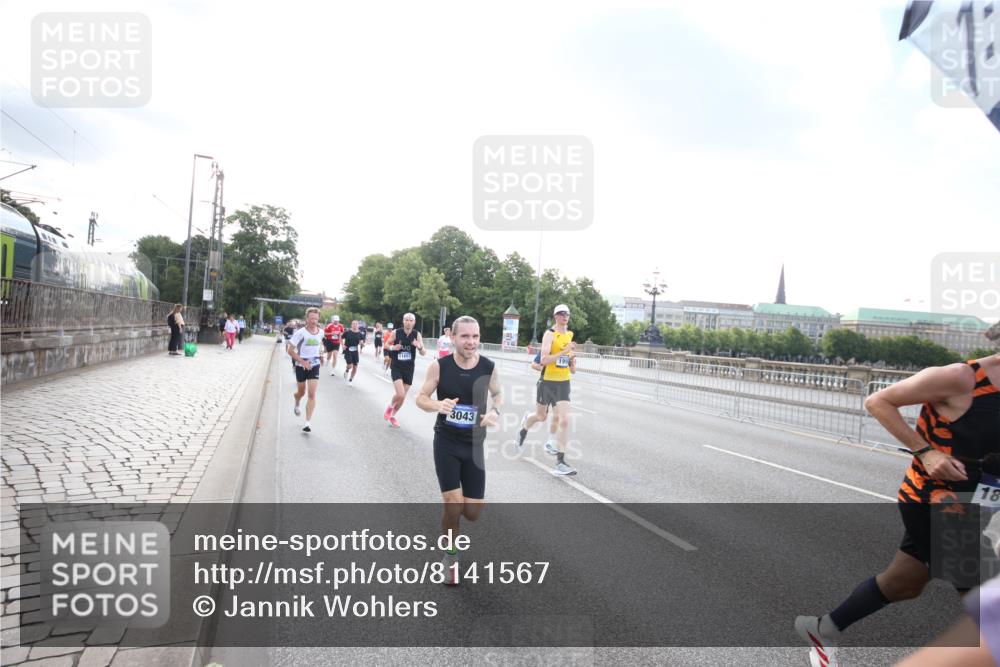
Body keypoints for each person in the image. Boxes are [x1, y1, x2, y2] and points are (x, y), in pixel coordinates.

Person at [795, 322, 1000, 667]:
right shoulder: (962, 378)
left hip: (979, 503)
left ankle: (822, 628)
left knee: (904, 583)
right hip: (937, 502)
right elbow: (879, 401)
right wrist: (926, 452)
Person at [415, 315, 501, 585]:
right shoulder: (439, 367)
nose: (471, 342)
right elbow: (420, 398)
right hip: (447, 442)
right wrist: (437, 406)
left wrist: (495, 411)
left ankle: (454, 524)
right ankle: (450, 556)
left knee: (472, 514)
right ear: (453, 338)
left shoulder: (488, 366)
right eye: (465, 336)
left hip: (474, 445)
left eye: (475, 337)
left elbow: (497, 393)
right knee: (453, 506)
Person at [516, 304, 578, 475]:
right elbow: (543, 360)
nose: (565, 316)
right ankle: (524, 425)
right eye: (561, 314)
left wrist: (572, 361)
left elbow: (573, 370)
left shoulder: (570, 335)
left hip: (564, 382)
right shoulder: (549, 335)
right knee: (541, 416)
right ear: (555, 316)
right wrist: (563, 351)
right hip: (547, 382)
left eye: (567, 314)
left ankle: (560, 462)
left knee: (564, 419)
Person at [383, 313, 426, 428]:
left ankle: (393, 416)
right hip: (397, 366)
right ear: (403, 321)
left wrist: (419, 347)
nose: (408, 322)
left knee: (403, 397)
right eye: (406, 320)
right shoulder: (396, 332)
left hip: (409, 368)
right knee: (400, 394)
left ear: (414, 322)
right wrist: (393, 347)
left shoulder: (417, 334)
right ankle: (390, 406)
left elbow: (423, 353)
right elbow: (386, 345)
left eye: (411, 320)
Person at [287, 308, 324, 433]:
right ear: (306, 319)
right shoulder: (300, 333)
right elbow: (290, 350)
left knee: (312, 394)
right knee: (301, 392)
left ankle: (307, 422)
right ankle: (297, 400)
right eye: (311, 318)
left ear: (318, 319)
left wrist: (321, 355)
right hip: (301, 365)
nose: (313, 321)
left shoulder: (321, 332)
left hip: (314, 365)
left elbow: (320, 345)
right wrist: (302, 361)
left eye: (316, 318)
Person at [528, 349, 559, 453]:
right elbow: (534, 364)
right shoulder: (548, 348)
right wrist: (542, 367)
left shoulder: (566, 349)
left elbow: (572, 369)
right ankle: (527, 419)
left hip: (560, 385)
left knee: (558, 414)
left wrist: (571, 363)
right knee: (541, 417)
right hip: (545, 383)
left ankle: (550, 442)